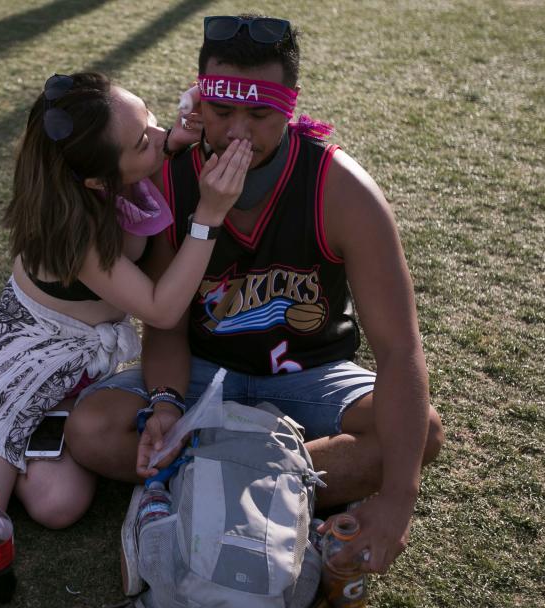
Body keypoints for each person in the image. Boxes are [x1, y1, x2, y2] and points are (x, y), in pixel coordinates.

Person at [67, 16, 444, 577]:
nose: (238, 131)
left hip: (309, 373)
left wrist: (397, 502)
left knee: (419, 437)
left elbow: (398, 350)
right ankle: (269, 485)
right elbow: (165, 326)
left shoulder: (341, 188)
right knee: (91, 429)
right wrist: (166, 401)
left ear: (289, 107)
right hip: (203, 368)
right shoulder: (171, 176)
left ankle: (197, 482)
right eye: (222, 112)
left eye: (260, 114)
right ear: (199, 100)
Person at [0, 72, 252, 566]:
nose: (160, 133)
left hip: (73, 375)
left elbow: (147, 145)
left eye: (148, 117)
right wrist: (209, 214)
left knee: (59, 503)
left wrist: (168, 142)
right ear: (98, 180)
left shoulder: (89, 169)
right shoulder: (73, 232)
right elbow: (162, 308)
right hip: (17, 369)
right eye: (145, 139)